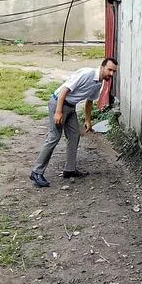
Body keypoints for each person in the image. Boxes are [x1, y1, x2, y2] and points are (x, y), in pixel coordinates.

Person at [30, 57, 118, 188]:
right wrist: (58, 112)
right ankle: (36, 172)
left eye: (113, 72)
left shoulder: (99, 83)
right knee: (54, 137)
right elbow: (64, 90)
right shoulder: (87, 74)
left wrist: (88, 121)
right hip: (59, 103)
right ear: (102, 67)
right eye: (109, 70)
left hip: (71, 107)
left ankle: (70, 169)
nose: (111, 74)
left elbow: (89, 102)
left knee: (74, 135)